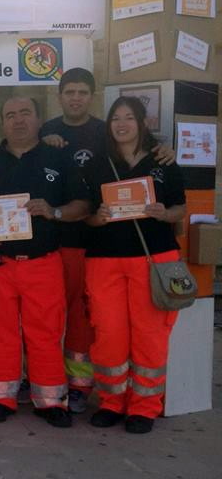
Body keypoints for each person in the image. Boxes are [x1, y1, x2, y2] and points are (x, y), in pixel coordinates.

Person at [40, 68, 173, 412]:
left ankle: (84, 385)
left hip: (97, 245)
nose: (75, 98)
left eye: (83, 92)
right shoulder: (46, 131)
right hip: (56, 240)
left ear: (92, 96)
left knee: (90, 321)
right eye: (69, 92)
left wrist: (167, 150)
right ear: (60, 96)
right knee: (53, 318)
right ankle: (47, 377)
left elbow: (151, 157)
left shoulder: (106, 132)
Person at [0, 97, 89, 428]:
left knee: (45, 332)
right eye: (10, 115)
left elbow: (84, 205)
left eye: (25, 113)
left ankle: (50, 400)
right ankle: (0, 396)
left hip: (43, 262)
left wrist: (54, 211)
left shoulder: (59, 159)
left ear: (38, 119)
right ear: (2, 123)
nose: (18, 120)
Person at [83, 96, 186, 434]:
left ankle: (144, 406)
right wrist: (98, 218)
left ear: (142, 123)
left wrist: (163, 213)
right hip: (105, 259)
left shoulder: (163, 161)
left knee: (149, 334)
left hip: (152, 257)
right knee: (109, 332)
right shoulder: (97, 163)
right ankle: (112, 401)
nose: (122, 124)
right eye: (116, 118)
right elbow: (87, 216)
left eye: (129, 117)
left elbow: (179, 209)